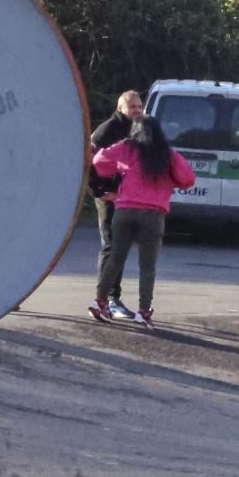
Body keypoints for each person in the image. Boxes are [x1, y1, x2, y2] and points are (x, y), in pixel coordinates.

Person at [88, 117, 195, 326]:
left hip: (125, 209)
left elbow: (99, 161)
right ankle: (143, 312)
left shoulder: (126, 148)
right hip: (153, 215)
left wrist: (120, 168)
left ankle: (100, 302)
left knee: (115, 259)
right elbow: (188, 179)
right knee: (147, 266)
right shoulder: (168, 155)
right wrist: (170, 181)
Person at [88, 90, 144, 317]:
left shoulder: (138, 129)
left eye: (140, 106)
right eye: (133, 107)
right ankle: (108, 300)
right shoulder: (106, 131)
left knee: (121, 245)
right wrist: (100, 191)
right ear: (120, 108)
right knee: (112, 246)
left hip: (127, 196)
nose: (138, 111)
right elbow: (87, 162)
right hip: (109, 196)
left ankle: (111, 299)